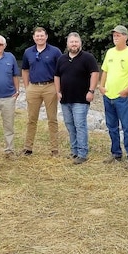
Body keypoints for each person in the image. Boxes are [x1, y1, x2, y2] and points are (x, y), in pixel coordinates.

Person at [98, 25, 128, 168]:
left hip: (122, 98)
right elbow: (104, 71)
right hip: (108, 96)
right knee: (111, 126)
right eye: (114, 35)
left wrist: (127, 90)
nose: (115, 37)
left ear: (125, 37)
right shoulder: (110, 52)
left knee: (127, 127)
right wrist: (101, 86)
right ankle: (116, 153)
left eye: (118, 35)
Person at [54, 32, 99, 165]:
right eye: (71, 42)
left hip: (81, 99)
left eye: (76, 42)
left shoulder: (88, 58)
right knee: (70, 125)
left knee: (80, 125)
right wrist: (58, 91)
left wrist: (91, 91)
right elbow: (56, 76)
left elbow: (95, 74)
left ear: (80, 43)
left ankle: (82, 153)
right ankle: (74, 151)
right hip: (65, 98)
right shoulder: (61, 59)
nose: (74, 44)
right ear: (67, 44)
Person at [20, 27, 62, 157]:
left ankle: (54, 149)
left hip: (50, 87)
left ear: (46, 36)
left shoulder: (55, 51)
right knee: (31, 119)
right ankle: (28, 147)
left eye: (42, 36)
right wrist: (27, 87)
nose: (39, 38)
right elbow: (25, 70)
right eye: (37, 36)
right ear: (33, 38)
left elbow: (61, 70)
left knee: (52, 119)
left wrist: (58, 88)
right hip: (33, 87)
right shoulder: (28, 52)